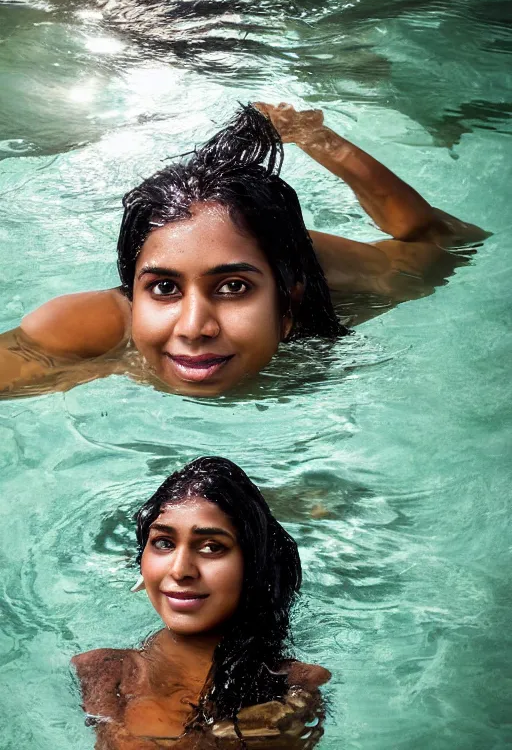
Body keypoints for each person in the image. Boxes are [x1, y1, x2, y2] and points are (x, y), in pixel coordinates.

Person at [0, 103, 486, 398]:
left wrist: (322, 142)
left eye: (233, 287)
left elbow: (445, 239)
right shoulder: (93, 331)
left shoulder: (352, 287)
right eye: (164, 287)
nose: (193, 328)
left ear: (289, 302)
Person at [71, 457, 330, 749]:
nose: (180, 570)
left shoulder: (298, 686)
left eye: (211, 547)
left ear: (253, 567)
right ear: (143, 565)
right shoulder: (101, 671)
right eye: (164, 543)